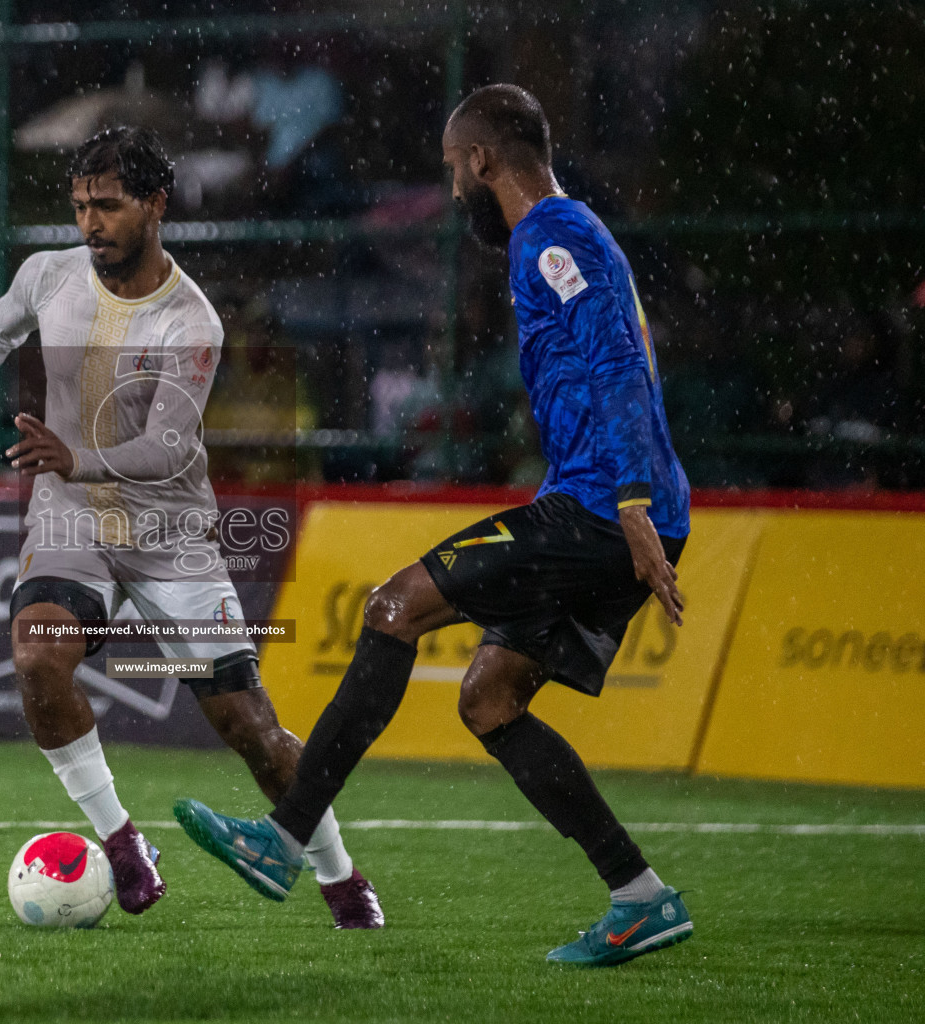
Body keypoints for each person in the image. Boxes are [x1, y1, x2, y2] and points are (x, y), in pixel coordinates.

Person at [172, 85, 696, 966]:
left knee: (394, 606)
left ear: (484, 160)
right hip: (608, 504)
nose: (454, 188)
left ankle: (283, 838)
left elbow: (614, 361)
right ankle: (640, 897)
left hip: (604, 511)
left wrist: (634, 503)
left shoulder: (551, 237)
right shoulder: (573, 232)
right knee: (489, 699)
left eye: (455, 169)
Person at [0, 127, 382, 929]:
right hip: (71, 520)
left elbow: (165, 448)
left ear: (155, 205)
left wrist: (72, 457)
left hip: (168, 534)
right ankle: (121, 845)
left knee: (246, 724)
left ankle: (339, 878)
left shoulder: (192, 321)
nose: (91, 223)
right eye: (80, 206)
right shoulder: (49, 276)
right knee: (37, 655)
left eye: (108, 206)